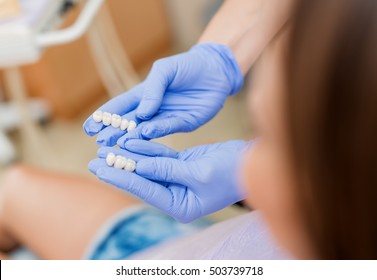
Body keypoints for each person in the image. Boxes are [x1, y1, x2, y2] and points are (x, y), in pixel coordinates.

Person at [1, 0, 377, 260]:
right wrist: (219, 56)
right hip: (196, 252)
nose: (246, 157)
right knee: (10, 187)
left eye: (275, 142)